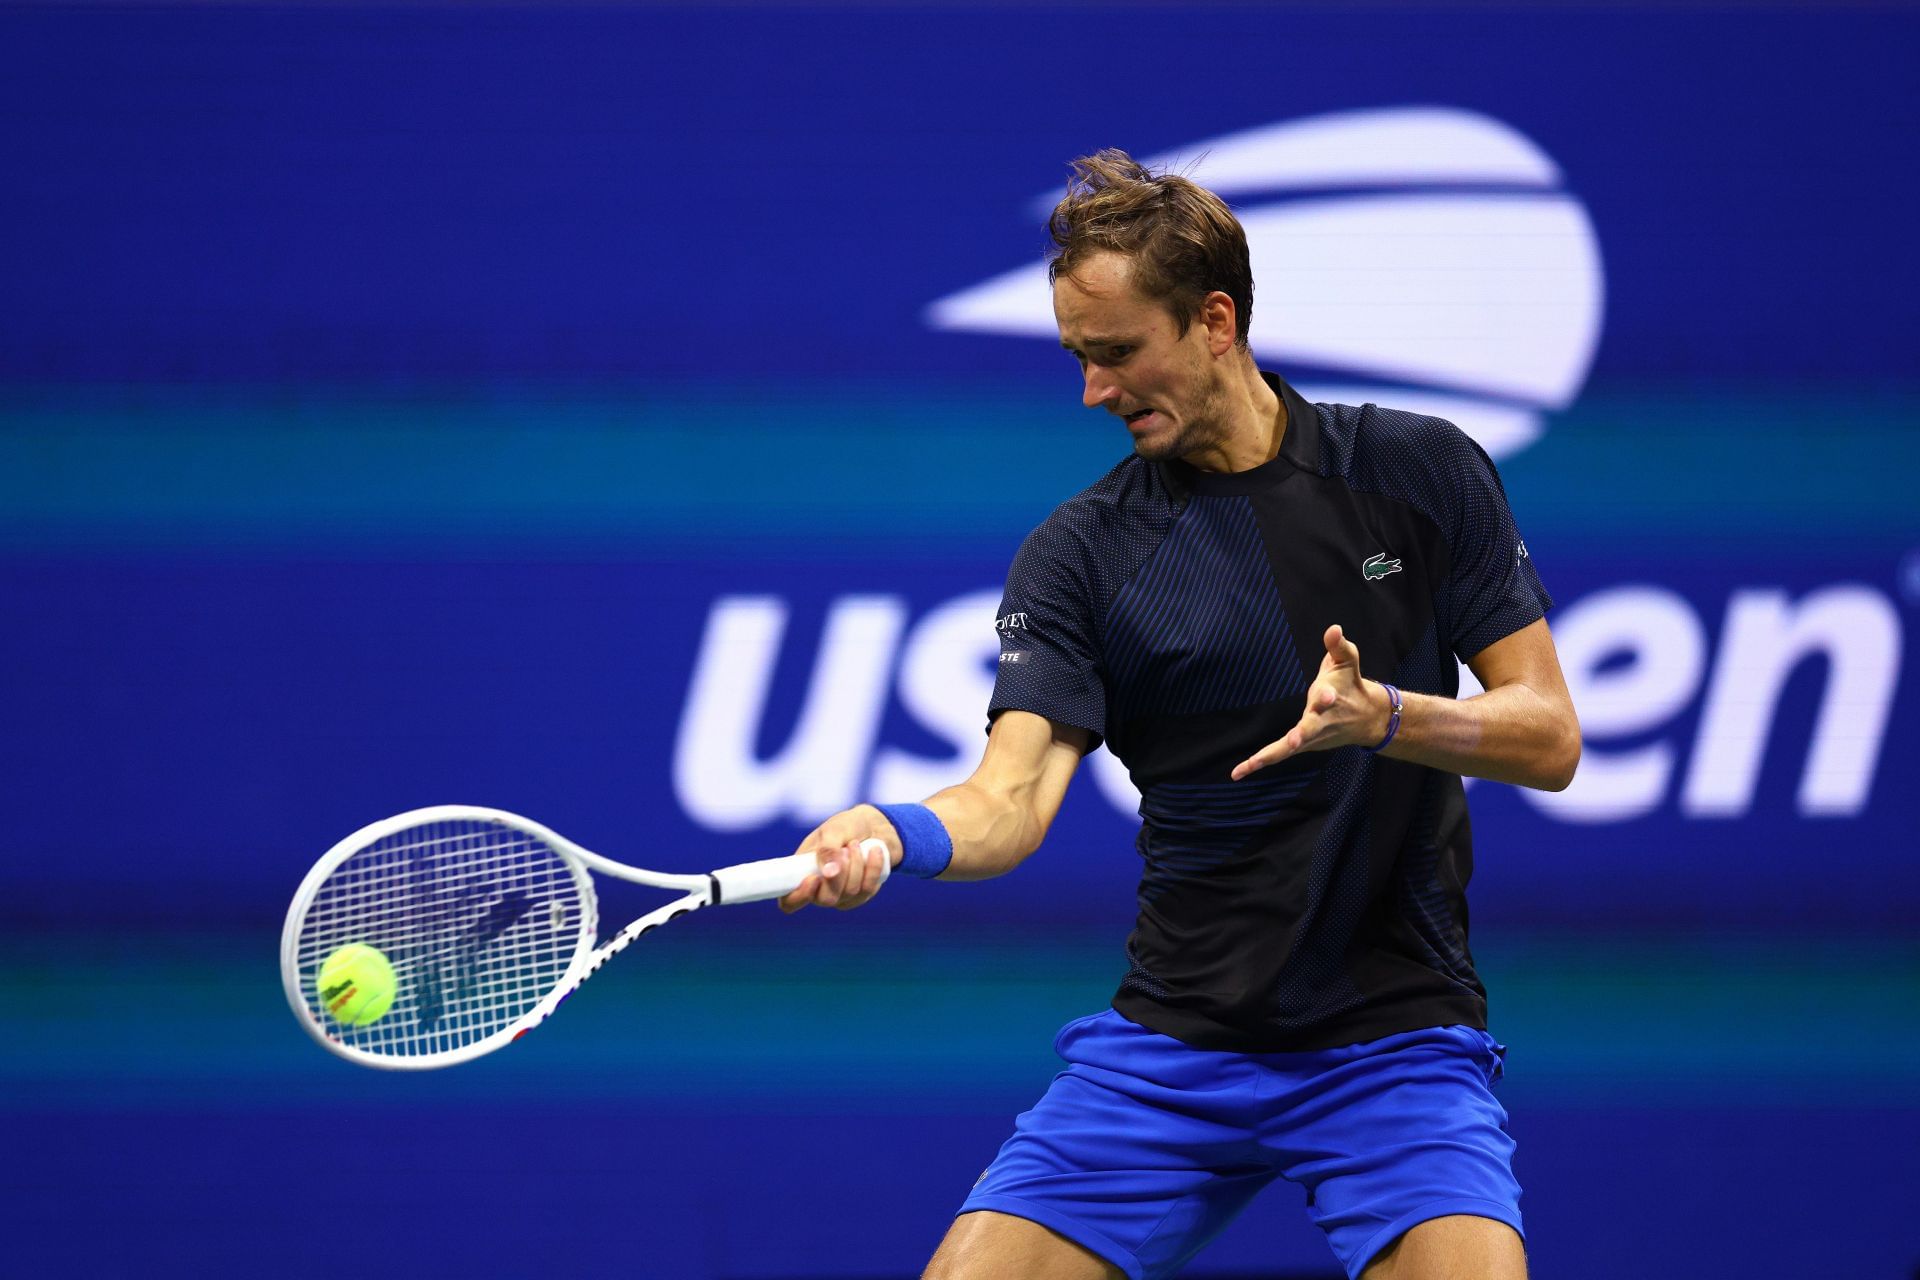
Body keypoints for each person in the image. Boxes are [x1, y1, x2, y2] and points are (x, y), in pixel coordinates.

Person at [778, 149, 1580, 1280]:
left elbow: (1548, 734)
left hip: (1393, 1043)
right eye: (1078, 359)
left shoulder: (1419, 471)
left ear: (1215, 320)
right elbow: (1008, 801)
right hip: (1172, 1046)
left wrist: (1387, 715)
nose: (1095, 393)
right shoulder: (1081, 553)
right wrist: (893, 831)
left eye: (1117, 354)